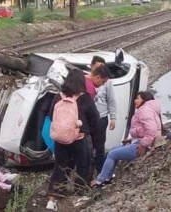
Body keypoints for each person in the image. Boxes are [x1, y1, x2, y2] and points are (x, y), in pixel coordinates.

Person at [46, 69, 99, 211]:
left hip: (61, 139)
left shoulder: (58, 96)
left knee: (60, 166)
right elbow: (95, 119)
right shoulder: (85, 98)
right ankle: (79, 193)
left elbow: (51, 116)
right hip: (80, 138)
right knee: (84, 166)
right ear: (82, 81)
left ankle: (53, 198)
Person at [92, 91, 161, 187]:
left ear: (144, 100)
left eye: (138, 98)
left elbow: (152, 130)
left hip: (144, 146)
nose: (135, 100)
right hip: (141, 142)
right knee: (113, 150)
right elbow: (145, 129)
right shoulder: (151, 109)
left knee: (112, 154)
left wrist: (144, 144)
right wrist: (131, 138)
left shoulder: (144, 110)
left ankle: (100, 181)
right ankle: (108, 178)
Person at [91, 56, 117, 174]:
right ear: (92, 67)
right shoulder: (87, 80)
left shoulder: (107, 83)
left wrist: (113, 118)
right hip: (88, 120)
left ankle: (100, 171)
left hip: (101, 118)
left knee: (99, 147)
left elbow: (111, 101)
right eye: (97, 67)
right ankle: (88, 172)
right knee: (87, 147)